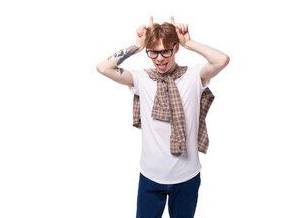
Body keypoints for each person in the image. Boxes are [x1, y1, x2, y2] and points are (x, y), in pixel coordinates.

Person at [96, 16, 229, 218]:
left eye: (166, 50)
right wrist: (137, 45)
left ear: (175, 48)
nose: (159, 58)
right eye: (154, 52)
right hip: (150, 177)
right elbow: (103, 68)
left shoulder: (193, 76)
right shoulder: (142, 79)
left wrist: (189, 43)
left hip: (187, 177)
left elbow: (222, 60)